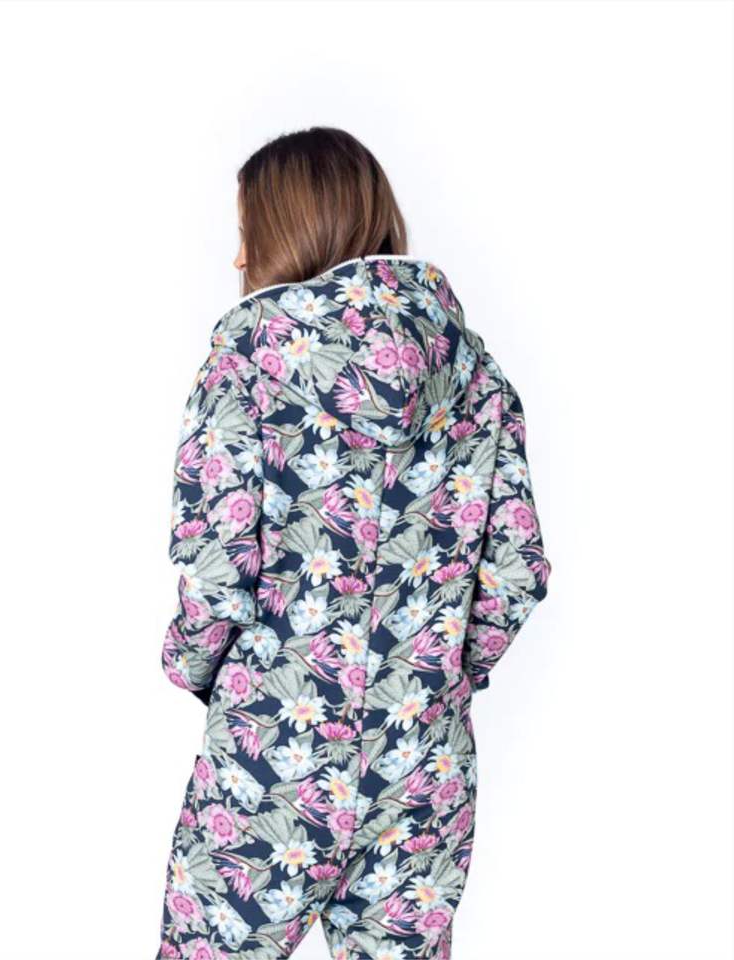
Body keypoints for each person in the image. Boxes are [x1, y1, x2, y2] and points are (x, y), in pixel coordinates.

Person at [155, 127, 552, 960]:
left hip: (272, 758)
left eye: (246, 232)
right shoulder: (474, 371)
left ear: (286, 231)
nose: (237, 258)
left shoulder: (245, 362)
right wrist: (439, 676)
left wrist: (193, 667)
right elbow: (517, 571)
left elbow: (216, 572)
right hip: (423, 766)